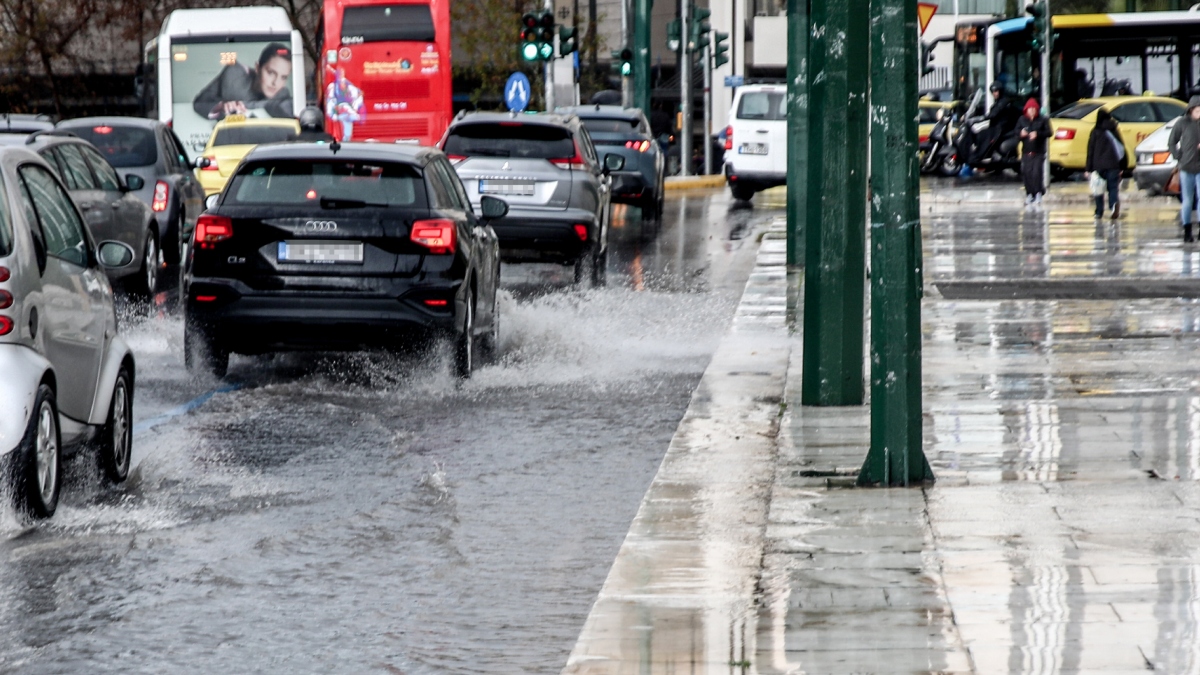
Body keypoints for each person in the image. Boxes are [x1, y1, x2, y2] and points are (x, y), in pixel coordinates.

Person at [193, 43, 294, 120]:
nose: (275, 83)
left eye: (283, 77)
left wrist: (240, 106)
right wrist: (221, 106)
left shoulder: (283, 95)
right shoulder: (234, 76)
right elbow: (200, 103)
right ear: (257, 68)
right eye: (271, 73)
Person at [1169, 96, 1200, 242]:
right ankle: (1187, 230)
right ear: (1191, 109)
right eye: (1197, 109)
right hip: (1186, 167)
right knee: (1187, 200)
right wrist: (1178, 156)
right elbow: (1171, 142)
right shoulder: (1182, 122)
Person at [1086, 107, 1125, 220]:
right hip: (1113, 165)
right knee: (1113, 188)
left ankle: (1099, 211)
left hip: (1098, 166)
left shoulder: (1095, 131)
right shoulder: (1113, 129)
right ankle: (1113, 206)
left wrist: (1088, 168)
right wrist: (1122, 166)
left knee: (1098, 189)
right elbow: (1120, 148)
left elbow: (1091, 150)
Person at [1016, 98, 1050, 205]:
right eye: (1030, 109)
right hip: (1026, 151)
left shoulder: (1043, 119)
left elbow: (1049, 132)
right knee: (1027, 173)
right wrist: (1021, 134)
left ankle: (1038, 193)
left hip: (1038, 152)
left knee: (1036, 173)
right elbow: (1016, 132)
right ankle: (1029, 194)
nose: (1032, 111)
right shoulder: (1022, 119)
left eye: (1034, 109)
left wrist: (1038, 134)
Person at [325, 67, 365, 142]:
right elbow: (330, 102)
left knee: (349, 121)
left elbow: (358, 94)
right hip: (340, 111)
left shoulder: (349, 86)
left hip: (347, 110)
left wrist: (354, 107)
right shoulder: (332, 87)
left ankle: (346, 139)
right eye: (339, 74)